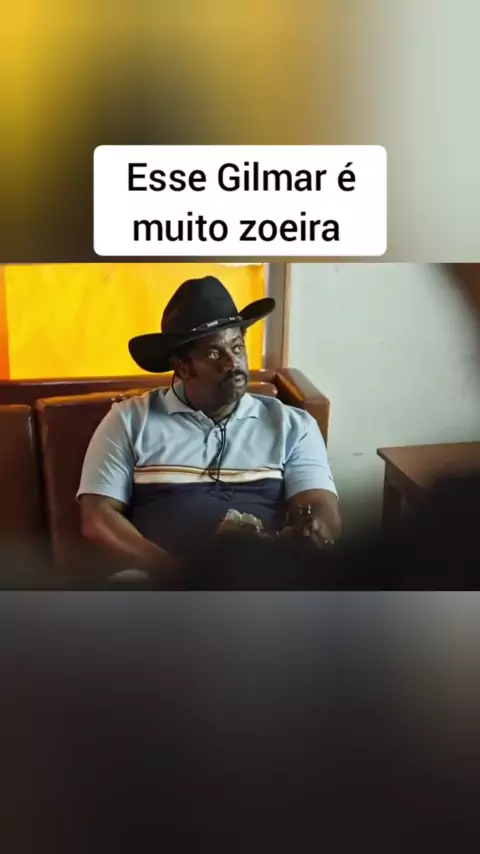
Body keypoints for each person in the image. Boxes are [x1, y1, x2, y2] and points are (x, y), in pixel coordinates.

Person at [77, 276, 340, 584]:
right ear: (182, 366)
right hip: (161, 581)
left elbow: (321, 504)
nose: (233, 363)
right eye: (215, 354)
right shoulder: (129, 420)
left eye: (237, 347)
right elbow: (97, 518)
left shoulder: (293, 425)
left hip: (261, 581)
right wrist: (179, 575)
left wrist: (315, 528)